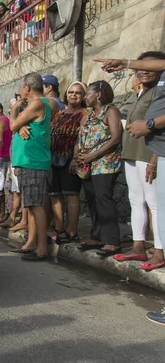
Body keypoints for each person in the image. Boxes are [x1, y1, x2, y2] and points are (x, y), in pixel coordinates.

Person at [113, 52, 165, 262]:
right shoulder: (142, 94)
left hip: (149, 154)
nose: (144, 71)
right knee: (136, 200)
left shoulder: (158, 93)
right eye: (140, 67)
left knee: (155, 203)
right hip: (132, 154)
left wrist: (154, 159)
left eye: (150, 66)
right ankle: (138, 245)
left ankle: (160, 251)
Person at [74, 81, 123, 257]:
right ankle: (97, 236)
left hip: (105, 163)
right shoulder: (88, 114)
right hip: (87, 164)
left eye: (88, 93)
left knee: (103, 199)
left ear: (99, 95)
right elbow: (80, 138)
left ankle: (112, 241)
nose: (85, 97)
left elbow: (116, 137)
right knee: (92, 200)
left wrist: (93, 156)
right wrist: (77, 157)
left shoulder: (111, 111)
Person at [8, 73, 52, 261]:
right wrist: (19, 126)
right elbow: (18, 126)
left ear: (27, 87)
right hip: (27, 161)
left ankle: (42, 248)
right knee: (32, 205)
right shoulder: (36, 105)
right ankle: (31, 243)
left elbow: (12, 125)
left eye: (21, 87)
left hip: (34, 161)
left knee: (37, 205)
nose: (20, 92)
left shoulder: (38, 103)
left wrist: (14, 110)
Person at [48, 82, 87, 244]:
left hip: (71, 158)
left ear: (84, 96)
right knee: (55, 195)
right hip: (54, 157)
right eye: (71, 92)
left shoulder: (84, 114)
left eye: (78, 92)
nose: (73, 95)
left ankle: (72, 230)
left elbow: (81, 138)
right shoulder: (59, 114)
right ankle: (59, 227)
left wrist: (75, 159)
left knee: (71, 195)